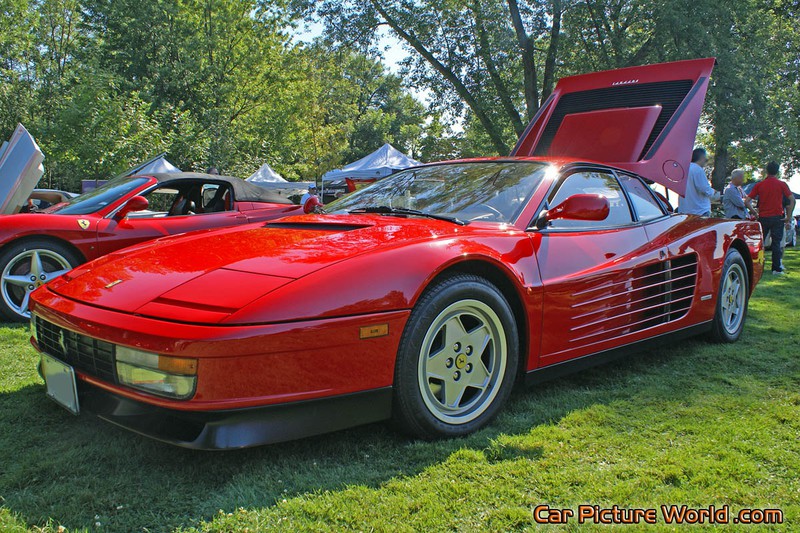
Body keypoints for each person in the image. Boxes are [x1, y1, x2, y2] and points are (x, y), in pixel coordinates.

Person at [746, 161, 796, 275]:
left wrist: (754, 212)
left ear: (766, 170)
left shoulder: (759, 185)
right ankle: (776, 268)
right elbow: (792, 199)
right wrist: (788, 216)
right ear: (777, 171)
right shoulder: (781, 184)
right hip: (777, 217)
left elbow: (747, 201)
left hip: (763, 217)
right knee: (776, 244)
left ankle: (757, 266)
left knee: (760, 243)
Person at [678, 148, 720, 216]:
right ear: (702, 157)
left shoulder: (684, 169)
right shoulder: (698, 169)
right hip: (699, 211)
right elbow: (704, 189)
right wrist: (714, 192)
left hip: (684, 210)